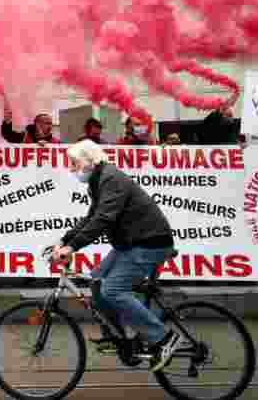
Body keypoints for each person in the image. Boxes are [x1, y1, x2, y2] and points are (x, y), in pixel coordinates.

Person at [51, 140, 179, 372]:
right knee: (97, 283)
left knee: (113, 290)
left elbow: (104, 219)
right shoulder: (98, 181)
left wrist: (72, 248)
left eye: (74, 163)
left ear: (90, 160)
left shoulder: (111, 178)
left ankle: (163, 338)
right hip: (130, 245)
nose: (71, 169)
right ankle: (119, 339)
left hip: (148, 243)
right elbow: (91, 217)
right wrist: (65, 240)